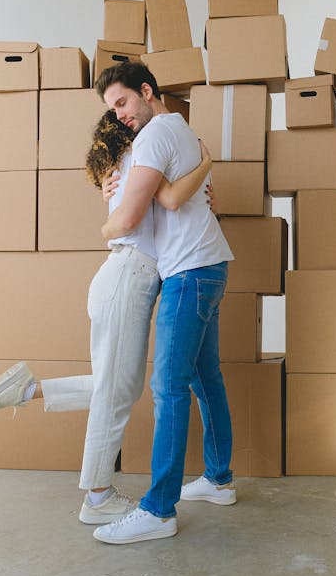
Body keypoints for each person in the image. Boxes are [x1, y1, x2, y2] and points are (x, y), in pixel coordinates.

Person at [0, 106, 213, 526]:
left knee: (121, 387)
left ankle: (28, 390)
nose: (143, 122)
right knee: (117, 394)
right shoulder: (138, 162)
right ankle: (97, 495)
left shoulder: (124, 168)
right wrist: (205, 164)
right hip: (128, 276)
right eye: (133, 120)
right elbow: (164, 202)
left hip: (126, 277)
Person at [89, 62, 235, 545]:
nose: (120, 115)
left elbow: (132, 216)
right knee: (204, 375)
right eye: (113, 109)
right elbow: (172, 197)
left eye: (123, 102)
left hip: (188, 271)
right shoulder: (180, 131)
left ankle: (158, 509)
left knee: (168, 385)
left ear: (146, 91)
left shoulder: (155, 135)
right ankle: (218, 479)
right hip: (209, 263)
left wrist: (105, 228)